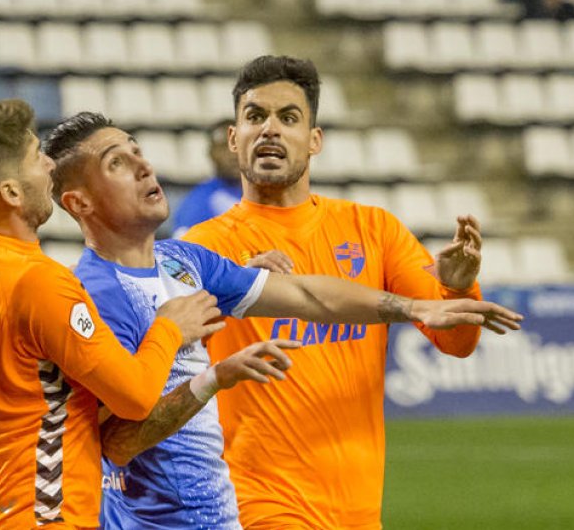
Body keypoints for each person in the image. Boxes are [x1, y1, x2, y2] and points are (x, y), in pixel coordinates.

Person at [40, 112, 521, 529]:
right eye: (118, 163)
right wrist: (214, 378)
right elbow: (116, 442)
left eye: (138, 151)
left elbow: (306, 294)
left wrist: (415, 307)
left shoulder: (181, 262)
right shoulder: (95, 297)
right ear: (79, 203)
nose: (145, 165)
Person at [182, 55, 492, 529]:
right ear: (233, 138)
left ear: (314, 140)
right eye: (254, 117)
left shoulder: (374, 230)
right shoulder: (204, 247)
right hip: (253, 502)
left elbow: (457, 343)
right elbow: (161, 360)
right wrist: (227, 288)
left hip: (357, 510)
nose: (269, 130)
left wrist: (455, 286)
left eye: (288, 118)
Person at [0, 99, 224, 529]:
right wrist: (169, 327)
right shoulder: (40, 284)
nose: (49, 165)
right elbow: (136, 396)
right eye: (35, 158)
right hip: (44, 511)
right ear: (10, 192)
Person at [171, 119, 241, 239]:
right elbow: (182, 252)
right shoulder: (198, 203)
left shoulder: (272, 194)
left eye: (238, 145)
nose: (232, 155)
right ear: (211, 154)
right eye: (224, 147)